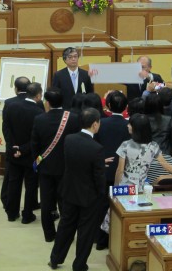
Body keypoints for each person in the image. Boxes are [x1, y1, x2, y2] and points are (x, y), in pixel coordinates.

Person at [48, 108, 105, 271]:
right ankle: (79, 265)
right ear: (95, 124)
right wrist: (102, 196)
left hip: (69, 190)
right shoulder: (97, 148)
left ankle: (55, 259)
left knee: (65, 226)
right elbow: (99, 179)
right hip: (89, 196)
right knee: (85, 232)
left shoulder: (69, 139)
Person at [31, 87, 80, 242]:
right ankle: (66, 234)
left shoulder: (39, 119)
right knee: (65, 203)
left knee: (46, 202)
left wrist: (37, 163)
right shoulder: (73, 118)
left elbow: (35, 146)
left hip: (46, 168)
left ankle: (49, 234)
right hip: (67, 168)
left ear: (47, 102)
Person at [115, 114, 172, 192]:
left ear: (136, 128)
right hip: (142, 187)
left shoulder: (125, 145)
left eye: (130, 124)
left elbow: (120, 170)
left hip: (126, 187)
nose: (127, 126)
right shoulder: (153, 146)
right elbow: (167, 166)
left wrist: (115, 188)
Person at [94, 90, 130, 250]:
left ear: (108, 105)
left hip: (104, 169)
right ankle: (119, 239)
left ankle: (100, 240)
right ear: (125, 107)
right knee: (122, 206)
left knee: (102, 205)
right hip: (123, 172)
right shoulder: (129, 126)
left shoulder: (101, 123)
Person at [4, 82, 45, 224]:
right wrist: (23, 149)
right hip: (30, 155)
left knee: (13, 183)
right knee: (31, 185)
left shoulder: (11, 106)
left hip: (13, 153)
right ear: (38, 95)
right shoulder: (39, 113)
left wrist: (13, 148)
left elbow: (6, 129)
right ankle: (27, 215)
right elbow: (36, 139)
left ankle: (11, 213)